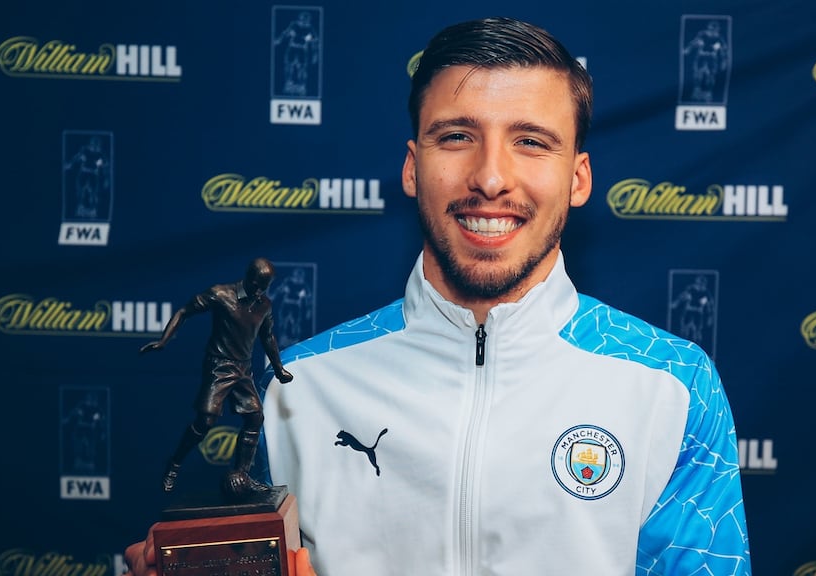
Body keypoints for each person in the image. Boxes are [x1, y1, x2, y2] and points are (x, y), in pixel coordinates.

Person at [126, 17, 750, 575]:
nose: (491, 177)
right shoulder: (300, 388)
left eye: (531, 141)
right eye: (455, 136)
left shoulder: (671, 384)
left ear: (578, 178)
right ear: (412, 167)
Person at [139, 257, 294, 499]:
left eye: (265, 288)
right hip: (219, 366)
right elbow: (184, 311)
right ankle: (175, 463)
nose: (260, 292)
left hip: (243, 370)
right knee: (206, 421)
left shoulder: (264, 304)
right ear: (249, 278)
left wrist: (278, 368)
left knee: (255, 417)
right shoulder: (221, 294)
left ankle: (242, 474)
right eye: (257, 286)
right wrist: (163, 341)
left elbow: (267, 337)